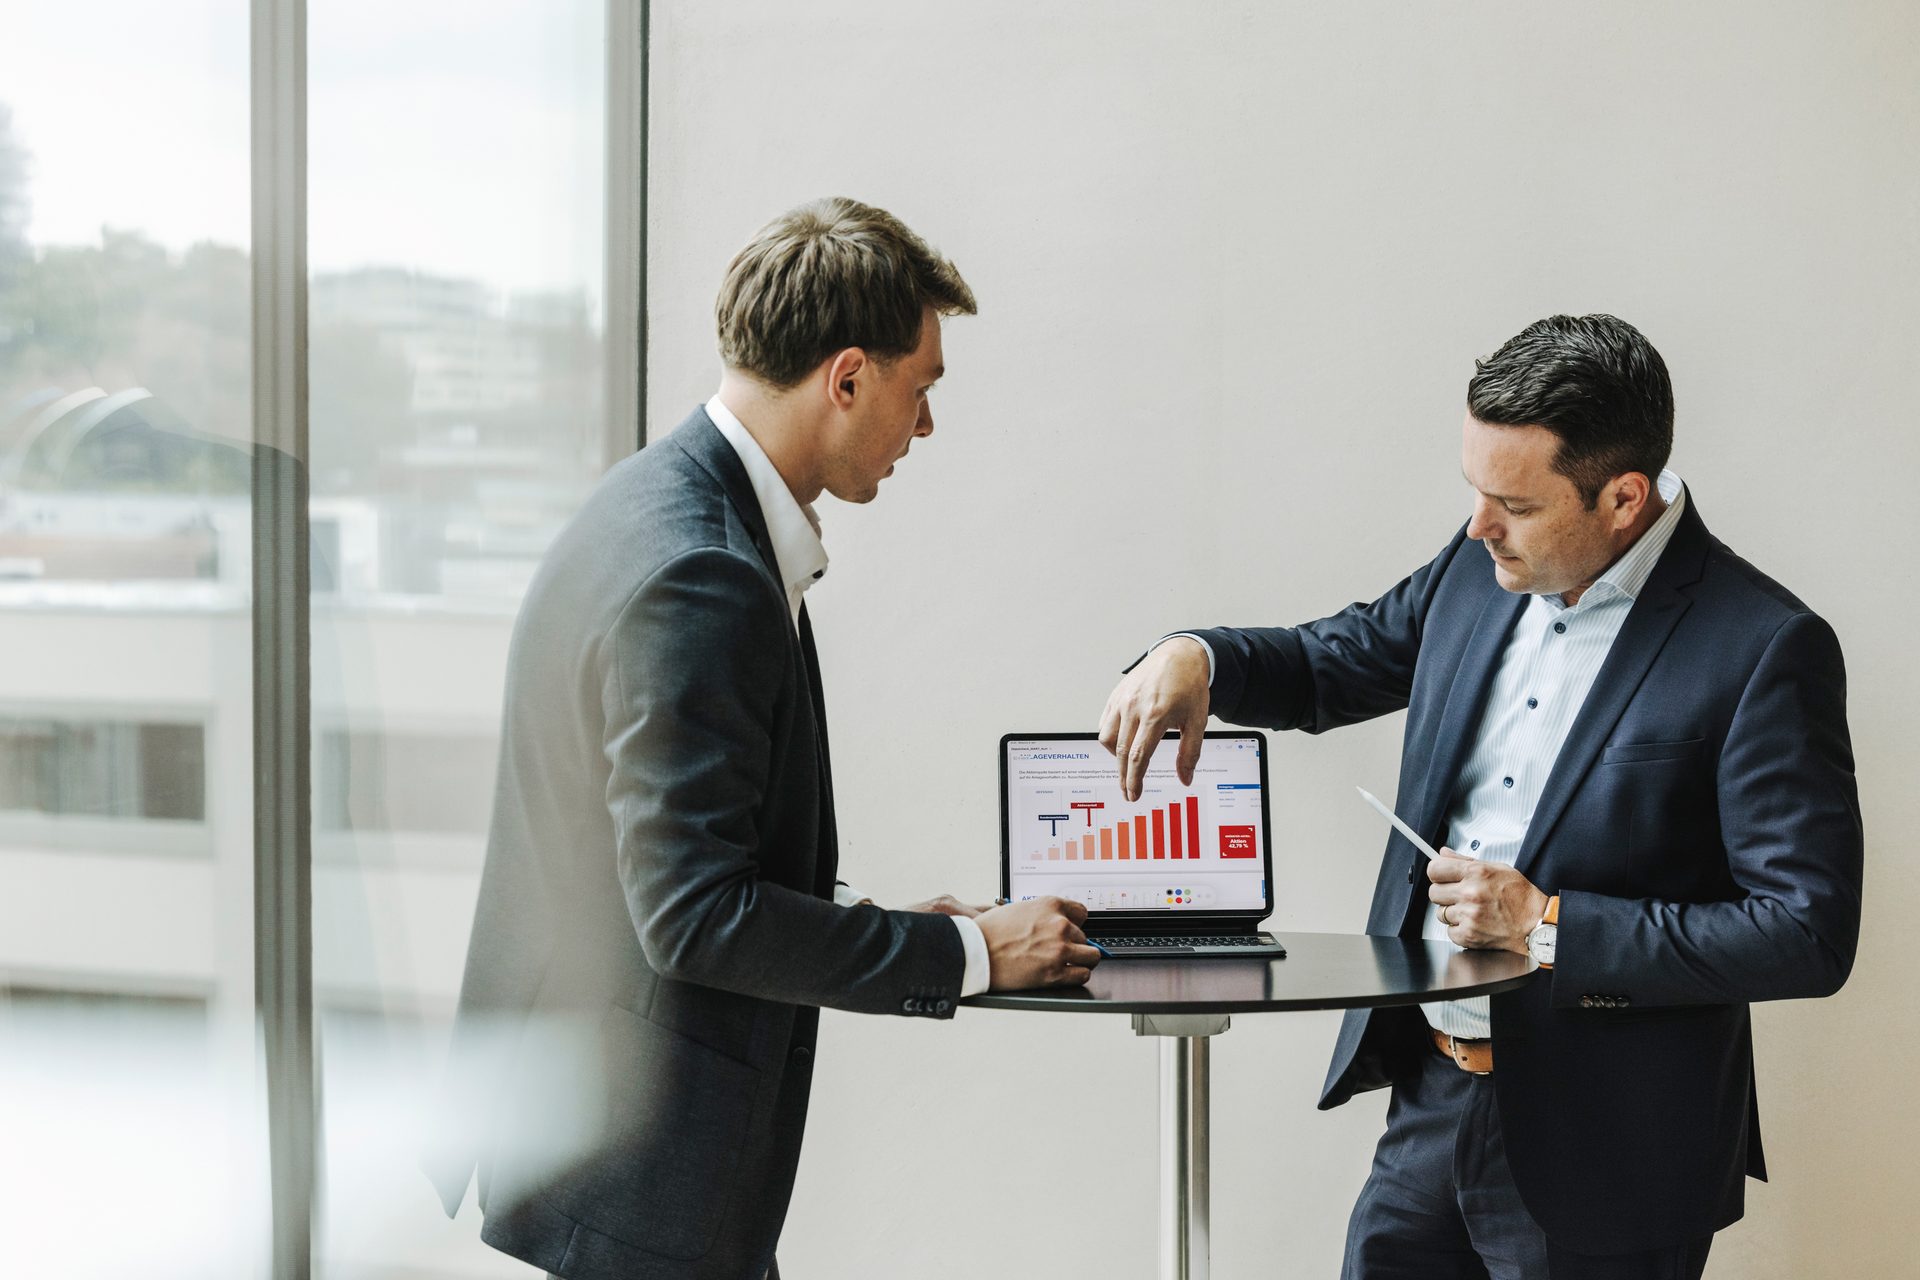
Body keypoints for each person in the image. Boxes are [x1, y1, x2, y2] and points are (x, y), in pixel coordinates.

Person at [1099, 314, 1861, 1280]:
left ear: (1624, 497)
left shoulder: (1764, 646)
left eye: (1513, 501)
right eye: (1474, 489)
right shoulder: (1478, 567)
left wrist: (1547, 923)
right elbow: (1334, 660)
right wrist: (1195, 656)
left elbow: (1805, 931)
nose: (1477, 524)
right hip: (1428, 1100)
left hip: (1612, 1154)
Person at [426, 197, 1102, 1280]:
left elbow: (671, 856)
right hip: (635, 1163)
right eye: (919, 389)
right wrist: (972, 953)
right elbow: (696, 915)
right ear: (847, 378)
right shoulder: (705, 573)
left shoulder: (658, 502)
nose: (923, 427)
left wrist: (884, 922)